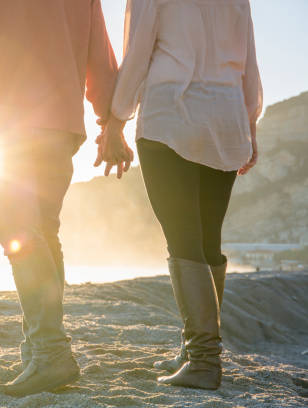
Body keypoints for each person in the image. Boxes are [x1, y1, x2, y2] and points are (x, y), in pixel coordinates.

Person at [0, 0, 132, 397]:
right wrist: (110, 122)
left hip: (6, 119)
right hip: (60, 122)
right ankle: (39, 352)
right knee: (41, 231)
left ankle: (50, 351)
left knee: (20, 233)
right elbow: (101, 56)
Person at [96, 0, 263, 390]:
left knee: (183, 239)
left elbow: (138, 51)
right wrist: (249, 125)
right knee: (207, 239)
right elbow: (249, 63)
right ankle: (195, 352)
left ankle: (204, 359)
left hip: (171, 115)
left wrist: (117, 119)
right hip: (225, 119)